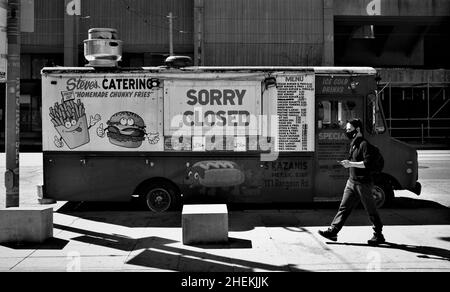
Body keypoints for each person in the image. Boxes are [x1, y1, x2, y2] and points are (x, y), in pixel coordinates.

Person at [318, 118, 385, 245]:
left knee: (370, 210)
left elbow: (367, 164)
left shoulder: (364, 144)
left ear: (357, 129)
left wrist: (350, 164)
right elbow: (353, 161)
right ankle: (333, 231)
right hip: (352, 182)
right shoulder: (354, 143)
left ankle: (378, 234)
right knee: (344, 208)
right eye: (346, 129)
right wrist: (347, 163)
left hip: (363, 183)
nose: (346, 131)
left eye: (349, 129)